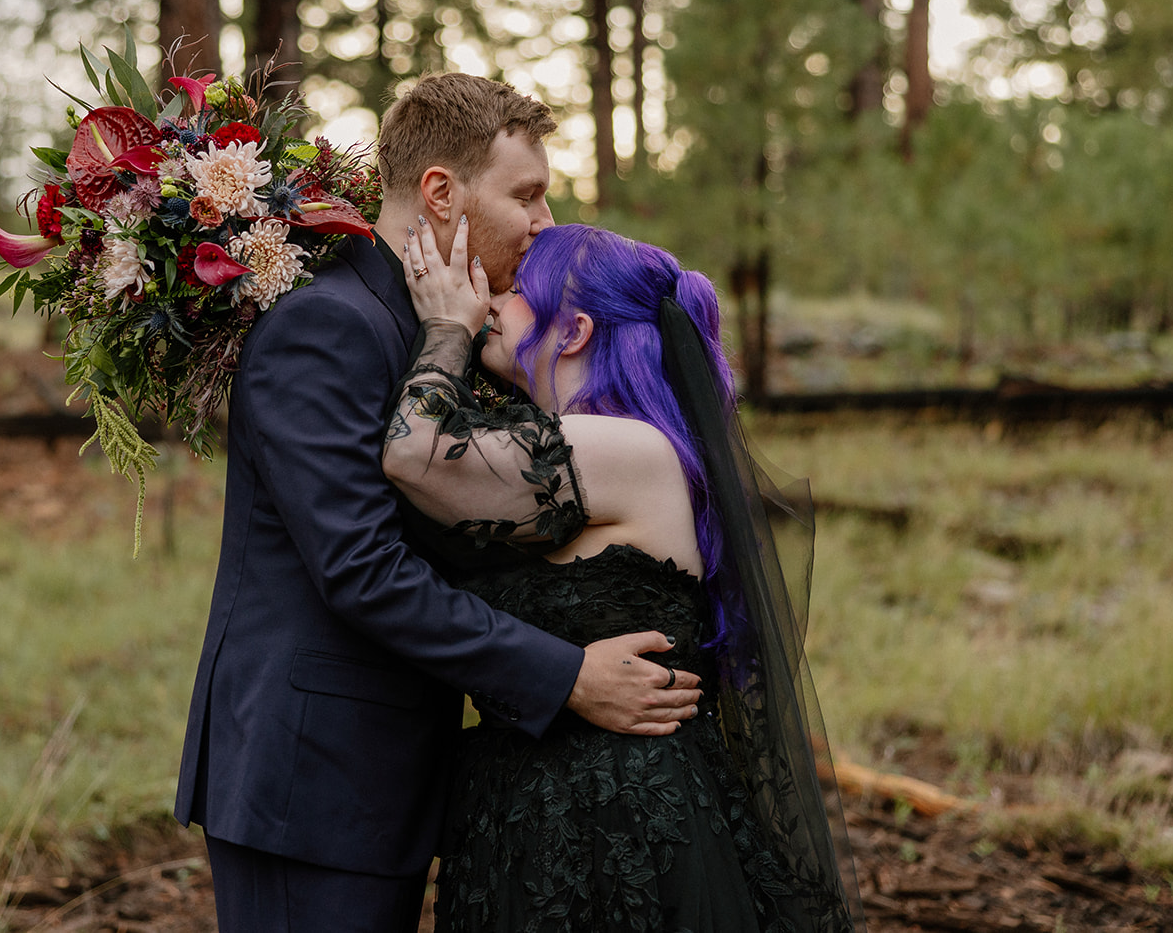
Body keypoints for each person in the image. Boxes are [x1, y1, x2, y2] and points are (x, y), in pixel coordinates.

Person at [174, 73, 704, 933]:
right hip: (309, 779)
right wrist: (567, 676)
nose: (544, 221)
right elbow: (362, 570)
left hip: (388, 781)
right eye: (526, 194)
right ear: (441, 193)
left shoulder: (435, 331)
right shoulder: (331, 326)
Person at [383, 221, 864, 931]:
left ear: (572, 329)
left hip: (614, 832)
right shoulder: (588, 444)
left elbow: (410, 454)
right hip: (542, 820)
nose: (491, 300)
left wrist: (447, 328)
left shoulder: (619, 447)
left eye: (516, 292)